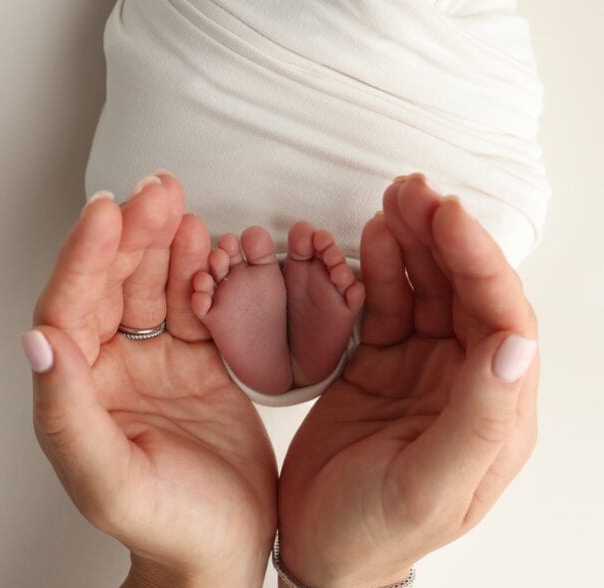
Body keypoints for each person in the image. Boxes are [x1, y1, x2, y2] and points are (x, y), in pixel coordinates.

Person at [19, 171, 539, 588]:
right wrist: (348, 578)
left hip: (160, 270)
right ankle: (290, 363)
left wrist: (196, 580)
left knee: (144, 211)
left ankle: (284, 366)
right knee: (474, 238)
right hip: (423, 297)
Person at [85, 0, 551, 404]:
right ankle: (302, 347)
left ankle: (281, 351)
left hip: (187, 126)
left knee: (150, 208)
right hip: (447, 173)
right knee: (484, 231)